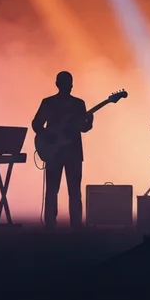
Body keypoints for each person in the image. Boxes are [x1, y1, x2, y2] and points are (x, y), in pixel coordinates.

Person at [32, 71, 94, 229]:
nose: (70, 86)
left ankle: (57, 225)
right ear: (67, 85)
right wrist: (49, 135)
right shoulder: (57, 103)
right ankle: (70, 226)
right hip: (61, 152)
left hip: (69, 152)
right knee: (65, 191)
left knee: (63, 191)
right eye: (68, 83)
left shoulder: (74, 104)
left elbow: (82, 128)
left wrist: (88, 123)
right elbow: (36, 124)